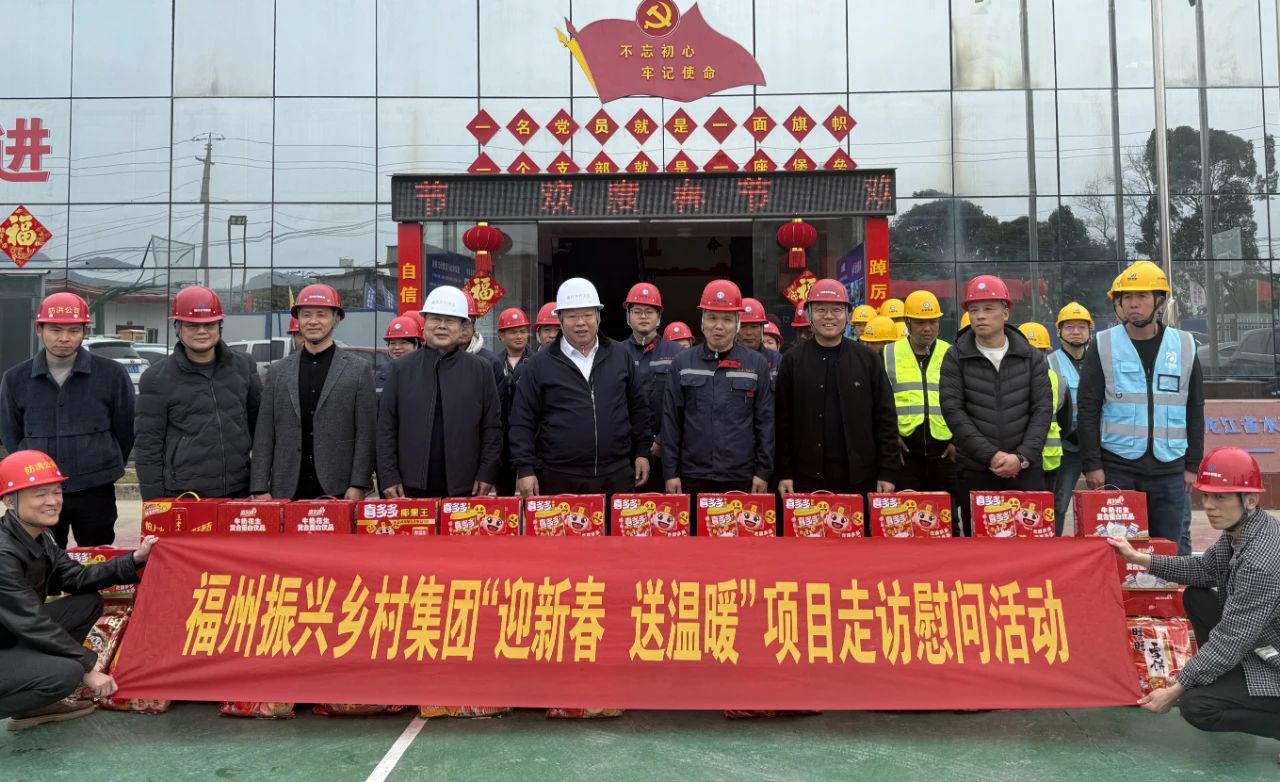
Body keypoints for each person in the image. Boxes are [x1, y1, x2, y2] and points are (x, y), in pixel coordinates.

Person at [1109, 448, 1280, 744]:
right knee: (1197, 596)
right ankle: (1224, 678)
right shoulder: (1245, 529)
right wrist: (1138, 557)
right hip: (1260, 639)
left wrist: (1178, 687)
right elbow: (1203, 568)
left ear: (1250, 500)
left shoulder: (1259, 560)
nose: (1209, 506)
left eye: (1221, 498)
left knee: (1197, 706)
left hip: (1272, 655)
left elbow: (1232, 638)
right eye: (1206, 496)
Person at [0, 450, 156, 731]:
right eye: (40, 494)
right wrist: (86, 668)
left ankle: (35, 705)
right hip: (13, 633)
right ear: (10, 501)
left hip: (9, 634)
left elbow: (76, 577)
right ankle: (43, 684)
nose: (52, 501)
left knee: (86, 603)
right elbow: (31, 622)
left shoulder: (39, 535)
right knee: (67, 673)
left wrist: (135, 559)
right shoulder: (3, 553)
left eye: (56, 491)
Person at [1077, 260, 1204, 552]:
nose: (1134, 304)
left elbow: (1195, 407)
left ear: (1159, 301)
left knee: (1169, 548)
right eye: (1127, 297)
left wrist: (1192, 465)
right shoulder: (1103, 344)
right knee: (1117, 549)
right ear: (1119, 303)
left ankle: (1168, 586)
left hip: (1170, 469)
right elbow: (1087, 409)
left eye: (1142, 296)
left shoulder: (1185, 345)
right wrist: (1092, 465)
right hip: (1117, 467)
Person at [0, 293, 134, 548]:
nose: (64, 338)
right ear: (39, 329)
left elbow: (126, 429)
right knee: (40, 557)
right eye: (55, 330)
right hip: (38, 491)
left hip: (95, 488)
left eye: (74, 330)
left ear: (85, 331)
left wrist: (105, 463)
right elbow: (10, 433)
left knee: (98, 557)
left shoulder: (112, 374)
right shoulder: (15, 379)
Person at [509, 278, 651, 496]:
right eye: (572, 316)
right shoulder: (539, 364)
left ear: (598, 317)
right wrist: (525, 468)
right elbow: (522, 420)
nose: (581, 323)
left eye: (587, 315)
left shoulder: (620, 356)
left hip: (616, 474)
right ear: (560, 319)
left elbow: (638, 408)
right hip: (559, 476)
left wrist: (642, 451)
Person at [939, 275, 1052, 535]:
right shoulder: (956, 357)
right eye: (974, 310)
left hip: (1025, 471)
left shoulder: (1031, 356)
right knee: (981, 549)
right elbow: (953, 411)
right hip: (976, 470)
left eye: (988, 309)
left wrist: (1021, 458)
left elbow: (1043, 410)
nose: (980, 316)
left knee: (1030, 544)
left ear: (1006, 312)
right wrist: (991, 455)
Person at [250, 284, 375, 501]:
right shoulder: (279, 371)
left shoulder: (358, 370)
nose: (313, 321)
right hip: (287, 488)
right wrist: (260, 487)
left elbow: (366, 432)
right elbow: (264, 433)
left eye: (321, 315)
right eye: (306, 314)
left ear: (337, 318)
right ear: (298, 319)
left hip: (339, 487)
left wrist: (359, 483)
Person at [134, 286, 260, 501]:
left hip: (239, 491)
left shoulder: (243, 367)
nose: (202, 331)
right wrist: (155, 503)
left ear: (219, 326)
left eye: (209, 324)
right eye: (192, 325)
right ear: (177, 328)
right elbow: (148, 447)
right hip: (185, 495)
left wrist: (259, 486)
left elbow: (260, 430)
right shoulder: (156, 378)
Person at [775, 279, 899, 496]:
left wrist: (887, 471)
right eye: (821, 310)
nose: (829, 316)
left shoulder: (867, 359)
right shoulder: (792, 360)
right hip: (805, 477)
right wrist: (784, 471)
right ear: (809, 315)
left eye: (837, 310)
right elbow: (782, 421)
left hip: (860, 476)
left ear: (848, 315)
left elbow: (885, 417)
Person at [377, 286, 502, 498]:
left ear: (463, 327)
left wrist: (487, 472)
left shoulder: (481, 369)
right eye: (435, 319)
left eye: (450, 321)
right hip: (409, 485)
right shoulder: (400, 369)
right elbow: (386, 427)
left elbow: (492, 427)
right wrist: (388, 476)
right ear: (424, 323)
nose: (442, 326)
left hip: (466, 484)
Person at [662, 281, 774, 502]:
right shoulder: (682, 363)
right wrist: (670, 472)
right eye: (712, 318)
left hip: (741, 476)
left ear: (737, 324)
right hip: (692, 475)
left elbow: (765, 422)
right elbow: (671, 421)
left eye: (727, 319)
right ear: (702, 322)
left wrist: (763, 471)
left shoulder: (756, 364)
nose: (719, 326)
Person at [884, 291, 959, 532]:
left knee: (948, 522)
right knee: (906, 522)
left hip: (944, 453)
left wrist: (957, 440)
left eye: (933, 321)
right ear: (907, 322)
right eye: (920, 322)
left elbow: (964, 401)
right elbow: (879, 404)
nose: (927, 328)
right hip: (905, 453)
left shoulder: (952, 353)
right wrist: (890, 439)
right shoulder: (888, 354)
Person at [621, 284, 684, 492]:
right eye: (637, 311)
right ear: (628, 316)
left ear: (659, 317)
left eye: (649, 311)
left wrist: (661, 440)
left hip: (668, 451)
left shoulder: (677, 354)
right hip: (626, 451)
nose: (643, 316)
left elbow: (681, 403)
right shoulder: (616, 353)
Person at [1018, 321, 1074, 533]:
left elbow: (1065, 422)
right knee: (1042, 513)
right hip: (1040, 461)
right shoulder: (1058, 380)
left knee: (1025, 514)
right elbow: (1065, 423)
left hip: (1028, 461)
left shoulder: (1009, 380)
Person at [1046, 302, 1092, 532]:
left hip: (1099, 447)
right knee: (1058, 504)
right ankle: (1054, 548)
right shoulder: (1049, 362)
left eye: (1082, 327)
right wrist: (1068, 433)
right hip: (1066, 448)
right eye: (1069, 327)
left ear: (1090, 331)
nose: (1076, 332)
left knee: (1107, 501)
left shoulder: (1099, 360)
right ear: (1059, 331)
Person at [457, 292, 506, 387]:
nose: (462, 328)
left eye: (467, 322)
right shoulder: (437, 359)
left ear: (474, 325)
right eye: (457, 322)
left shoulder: (490, 361)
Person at [737, 297, 783, 387]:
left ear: (762, 329)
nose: (749, 333)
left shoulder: (777, 361)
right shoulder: (725, 359)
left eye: (754, 326)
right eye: (743, 327)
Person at [375, 315, 422, 395]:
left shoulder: (426, 373)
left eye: (403, 343)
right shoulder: (382, 375)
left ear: (416, 345)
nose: (397, 347)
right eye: (393, 343)